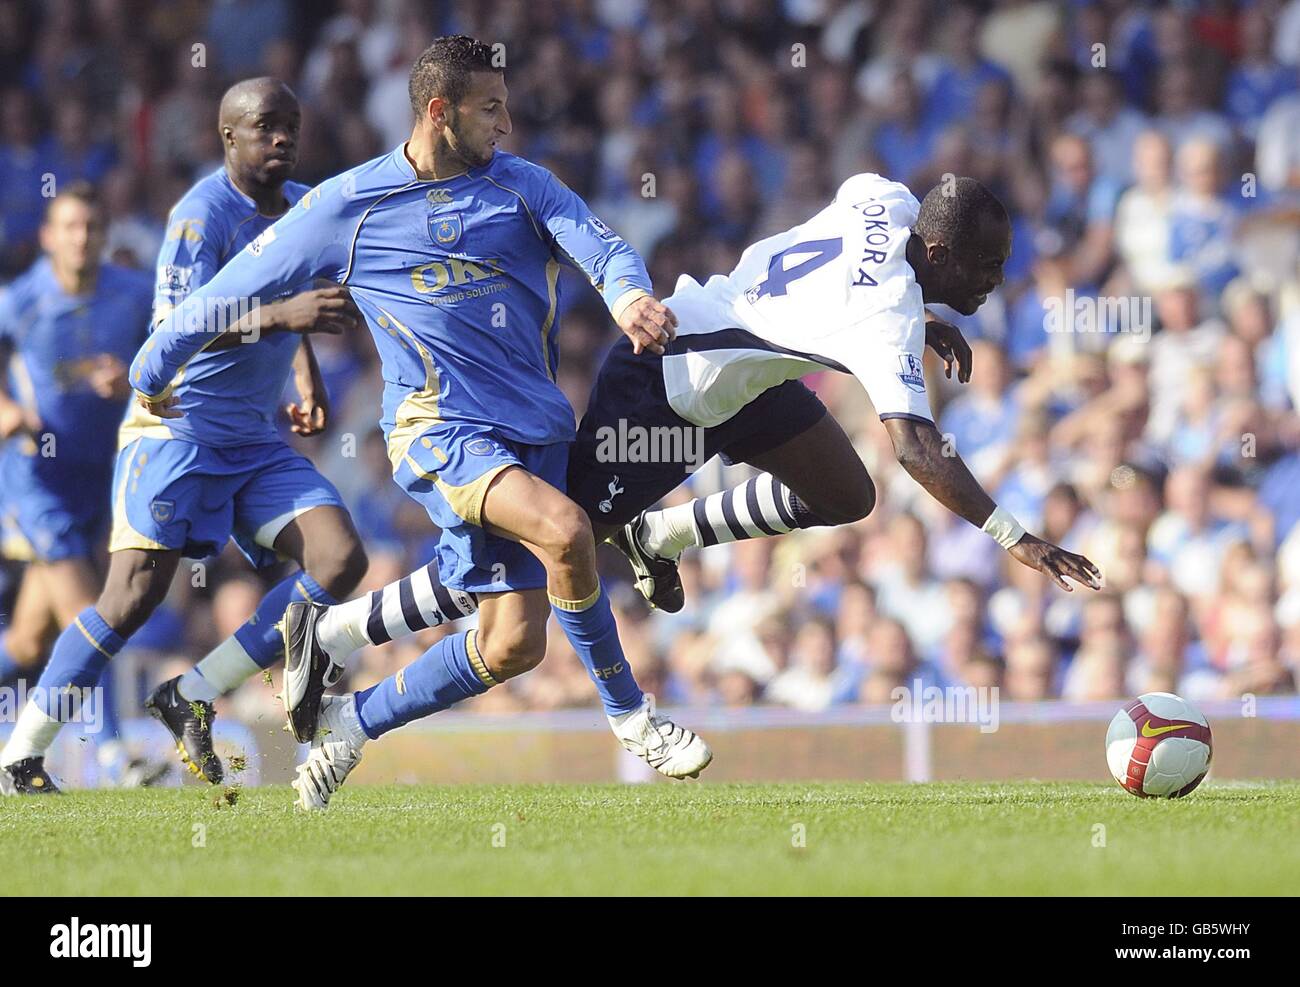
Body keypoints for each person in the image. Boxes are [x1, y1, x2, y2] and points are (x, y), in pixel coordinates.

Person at [285, 174, 1103, 752]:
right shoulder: (887, 312)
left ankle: (661, 537)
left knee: (844, 492)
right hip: (662, 384)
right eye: (986, 266)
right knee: (541, 553)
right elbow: (916, 445)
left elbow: (838, 286)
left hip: (738, 380)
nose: (998, 280)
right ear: (936, 247)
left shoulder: (881, 194)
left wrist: (923, 315)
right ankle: (339, 630)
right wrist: (1015, 537)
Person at [126, 37, 712, 810]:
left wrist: (628, 297)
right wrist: (151, 369)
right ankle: (632, 715)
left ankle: (349, 719)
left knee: (513, 643)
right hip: (439, 430)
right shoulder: (344, 206)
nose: (506, 122)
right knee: (567, 531)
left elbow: (600, 246)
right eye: (490, 108)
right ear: (440, 113)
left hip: (535, 430)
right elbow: (227, 291)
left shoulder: (524, 186)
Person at [0, 79, 369, 796]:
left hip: (252, 438)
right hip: (175, 430)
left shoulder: (303, 209)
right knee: (128, 598)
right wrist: (286, 317)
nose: (283, 138)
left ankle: (192, 692)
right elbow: (177, 331)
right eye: (265, 127)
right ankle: (22, 753)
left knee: (340, 557)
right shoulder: (199, 214)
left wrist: (305, 376)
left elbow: (291, 299)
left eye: (291, 125)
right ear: (228, 137)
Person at [0, 183, 165, 787]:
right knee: (90, 618)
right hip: (33, 482)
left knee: (25, 644)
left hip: (102, 477)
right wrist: (6, 412)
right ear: (47, 237)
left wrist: (135, 379)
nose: (82, 238)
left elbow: (168, 357)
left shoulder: (133, 294)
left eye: (92, 226)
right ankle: (115, 754)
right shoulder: (20, 301)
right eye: (70, 227)